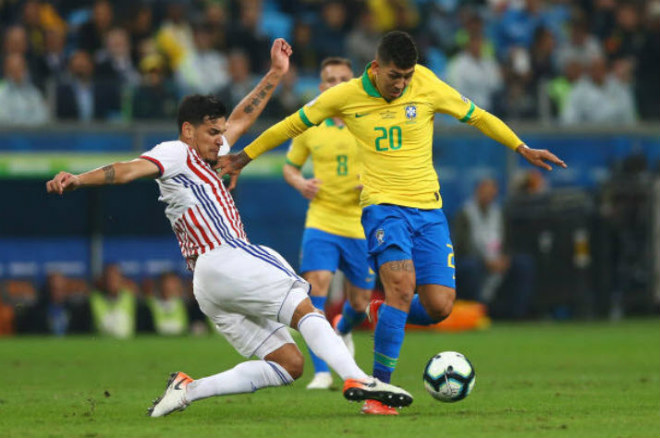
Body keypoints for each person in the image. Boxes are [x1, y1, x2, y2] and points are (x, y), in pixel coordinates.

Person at [46, 38, 412, 417]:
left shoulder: (214, 152)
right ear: (187, 130)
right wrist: (78, 179)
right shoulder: (174, 152)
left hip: (210, 285)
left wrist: (274, 74)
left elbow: (243, 116)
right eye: (211, 132)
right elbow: (124, 170)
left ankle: (188, 389)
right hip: (225, 256)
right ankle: (358, 378)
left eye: (220, 132)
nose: (220, 139)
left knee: (289, 364)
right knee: (304, 308)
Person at [218, 31, 566, 415]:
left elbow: (478, 117)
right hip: (384, 208)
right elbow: (290, 125)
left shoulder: (427, 83)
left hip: (430, 211)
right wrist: (243, 157)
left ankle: (381, 314)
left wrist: (522, 147)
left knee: (439, 306)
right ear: (376, 67)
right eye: (394, 76)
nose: (401, 84)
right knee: (401, 285)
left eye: (407, 76)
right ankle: (377, 392)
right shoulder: (345, 96)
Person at [282, 57, 374, 390]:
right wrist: (300, 183)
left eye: (343, 79)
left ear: (353, 83)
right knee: (317, 285)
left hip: (361, 223)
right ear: (321, 87)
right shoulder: (310, 124)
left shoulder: (369, 119)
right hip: (322, 218)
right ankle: (322, 371)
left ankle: (343, 329)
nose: (336, 84)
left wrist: (374, 182)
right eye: (330, 80)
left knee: (361, 303)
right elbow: (290, 166)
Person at [453, 178, 535, 319]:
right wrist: (485, 262)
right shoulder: (465, 213)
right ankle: (478, 312)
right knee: (471, 267)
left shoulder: (499, 213)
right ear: (477, 192)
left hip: (497, 259)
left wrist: (505, 258)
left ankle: (516, 314)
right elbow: (461, 246)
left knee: (524, 264)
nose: (488, 196)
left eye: (491, 193)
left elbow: (507, 241)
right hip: (475, 260)